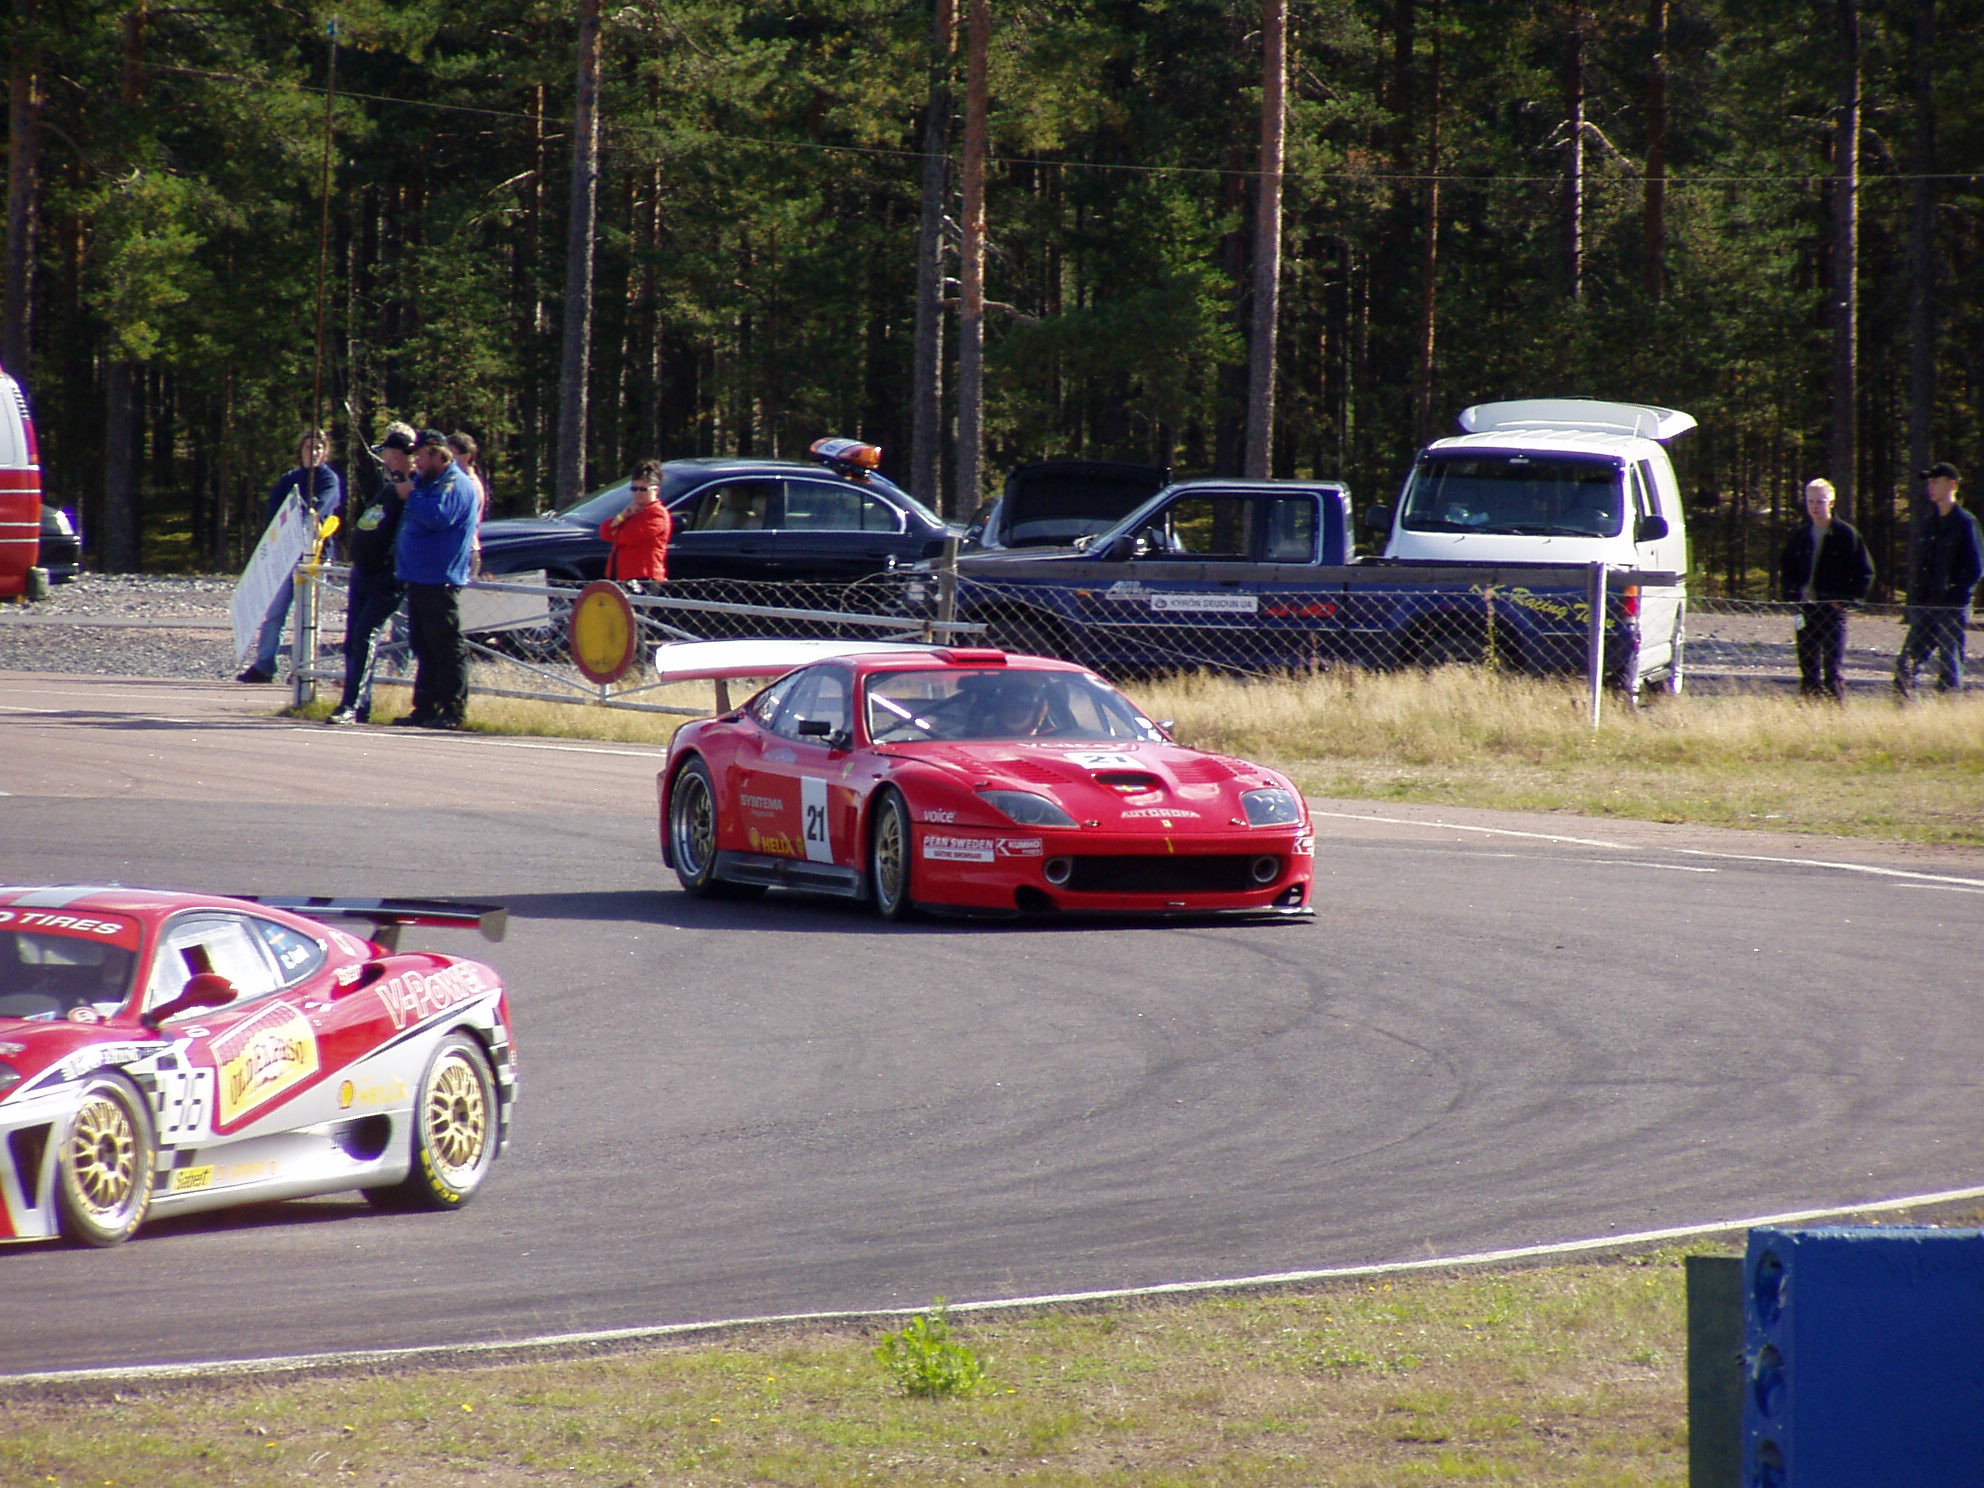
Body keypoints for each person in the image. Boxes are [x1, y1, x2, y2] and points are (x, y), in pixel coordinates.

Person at [323, 423, 414, 725]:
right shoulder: (388, 488)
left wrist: (402, 474)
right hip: (363, 572)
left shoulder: (411, 485)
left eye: (388, 453)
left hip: (387, 575)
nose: (384, 460)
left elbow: (411, 498)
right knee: (353, 639)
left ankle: (350, 704)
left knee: (365, 635)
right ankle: (360, 703)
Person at [236, 429, 343, 683]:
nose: (314, 452)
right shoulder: (290, 479)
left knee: (307, 615)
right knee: (275, 611)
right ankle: (264, 664)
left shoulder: (329, 479)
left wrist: (306, 508)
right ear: (300, 450)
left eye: (319, 447)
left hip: (314, 557)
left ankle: (303, 668)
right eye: (309, 447)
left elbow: (320, 507)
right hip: (285, 555)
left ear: (325, 451)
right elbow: (275, 511)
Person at [391, 428, 479, 730]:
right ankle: (425, 706)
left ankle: (454, 709)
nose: (417, 461)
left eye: (421, 456)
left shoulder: (455, 483)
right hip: (419, 577)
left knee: (446, 645)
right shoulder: (427, 482)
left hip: (439, 578)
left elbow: (438, 516)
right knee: (423, 644)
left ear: (438, 455)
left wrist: (411, 496)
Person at [1776, 477, 1874, 702]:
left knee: (1833, 669)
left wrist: (1848, 600)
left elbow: (1865, 573)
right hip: (1806, 611)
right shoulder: (1801, 536)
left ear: (1831, 502)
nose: (1815, 507)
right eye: (1810, 501)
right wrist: (1792, 595)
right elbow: (1787, 568)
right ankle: (1810, 712)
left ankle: (1835, 713)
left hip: (1833, 611)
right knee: (1808, 668)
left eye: (1820, 501)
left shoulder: (1846, 535)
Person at [1894, 461, 1984, 698]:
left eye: (1936, 482)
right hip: (1926, 606)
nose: (1930, 487)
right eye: (1929, 483)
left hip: (1952, 607)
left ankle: (1949, 715)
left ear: (1952, 485)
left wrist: (1954, 594)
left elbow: (1976, 568)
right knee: (1907, 662)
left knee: (1950, 666)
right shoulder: (1930, 522)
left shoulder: (1965, 523)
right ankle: (1902, 715)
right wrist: (1917, 597)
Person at [599, 459, 671, 591]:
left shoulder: (657, 514)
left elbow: (626, 537)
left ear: (656, 490)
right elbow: (604, 532)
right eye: (634, 488)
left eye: (643, 489)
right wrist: (621, 517)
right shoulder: (632, 512)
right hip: (620, 577)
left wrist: (617, 527)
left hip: (644, 579)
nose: (638, 493)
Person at [447, 432, 490, 573]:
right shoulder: (455, 482)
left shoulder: (469, 485)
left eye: (450, 455)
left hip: (466, 550)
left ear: (466, 456)